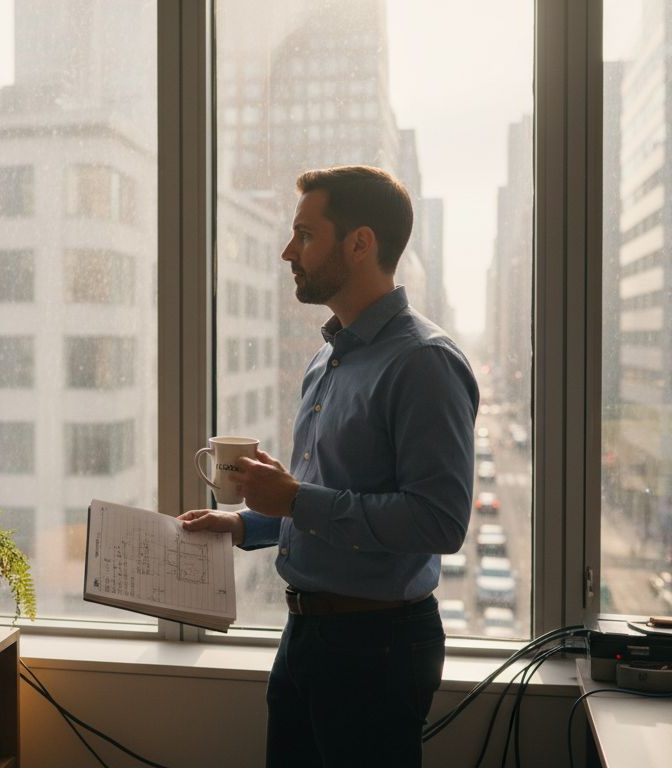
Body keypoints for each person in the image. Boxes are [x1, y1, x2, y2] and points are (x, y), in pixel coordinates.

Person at [179, 165, 479, 767]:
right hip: (306, 635)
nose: (288, 251)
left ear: (360, 243)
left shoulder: (424, 363)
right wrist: (246, 524)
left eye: (305, 235)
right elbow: (322, 500)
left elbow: (440, 522)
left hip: (379, 648)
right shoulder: (327, 359)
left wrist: (292, 500)